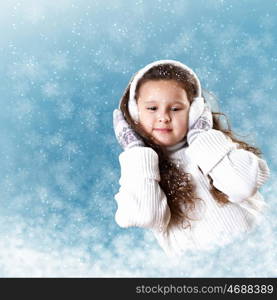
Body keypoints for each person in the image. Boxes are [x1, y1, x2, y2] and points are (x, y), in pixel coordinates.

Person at [112, 59, 270, 257]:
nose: (164, 117)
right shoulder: (142, 171)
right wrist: (135, 150)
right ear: (135, 113)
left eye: (175, 108)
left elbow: (243, 186)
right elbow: (146, 215)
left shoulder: (219, 150)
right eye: (152, 108)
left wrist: (201, 137)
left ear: (194, 111)